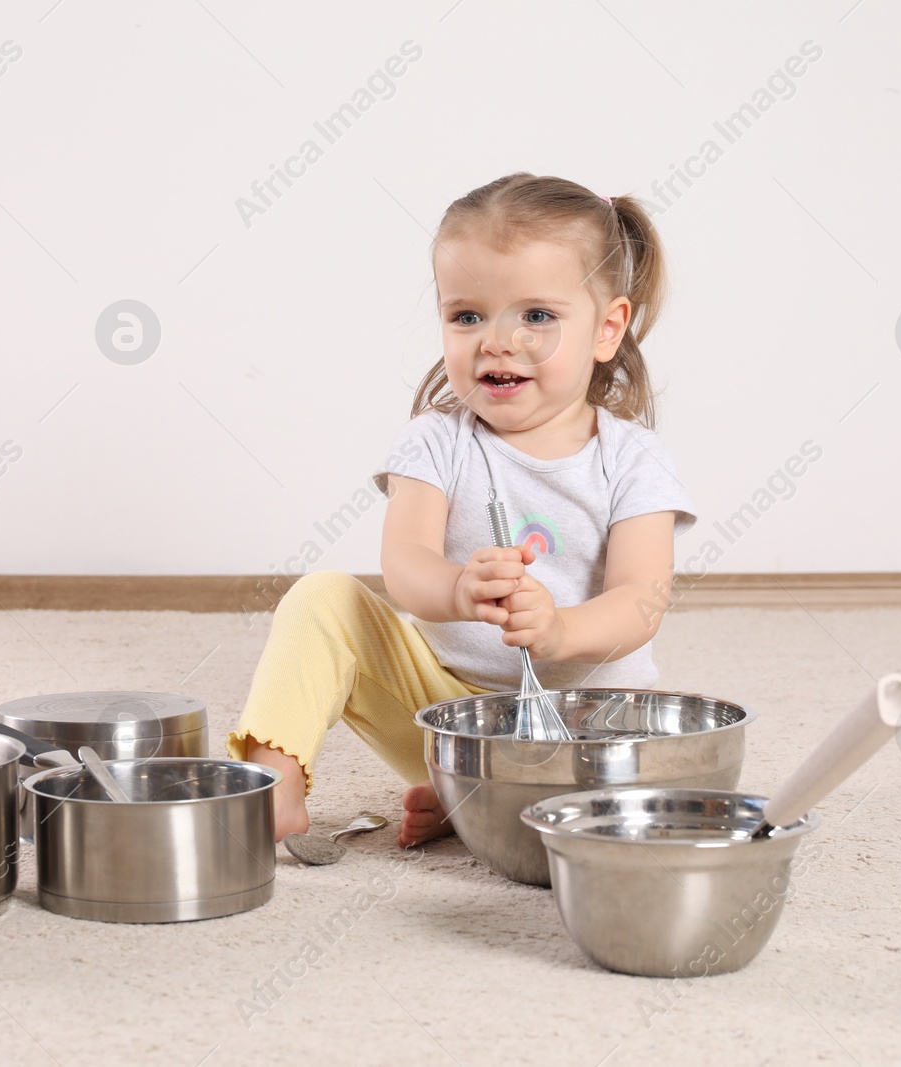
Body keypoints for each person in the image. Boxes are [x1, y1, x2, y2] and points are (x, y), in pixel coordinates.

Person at [225, 172, 697, 847]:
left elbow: (642, 601)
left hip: (585, 733)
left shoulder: (633, 459)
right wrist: (457, 586)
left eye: (537, 315)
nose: (497, 341)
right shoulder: (434, 442)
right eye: (467, 315)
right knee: (320, 597)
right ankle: (272, 791)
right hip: (451, 724)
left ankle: (482, 806)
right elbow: (405, 565)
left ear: (607, 329)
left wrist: (560, 631)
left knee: (619, 800)